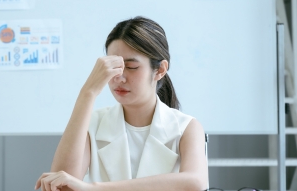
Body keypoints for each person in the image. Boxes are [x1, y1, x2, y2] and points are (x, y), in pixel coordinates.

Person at [35, 17, 208, 191]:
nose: (119, 77)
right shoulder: (93, 123)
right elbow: (59, 184)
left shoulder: (186, 127)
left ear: (160, 70)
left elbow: (194, 182)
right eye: (113, 66)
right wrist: (88, 92)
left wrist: (94, 188)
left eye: (131, 67)